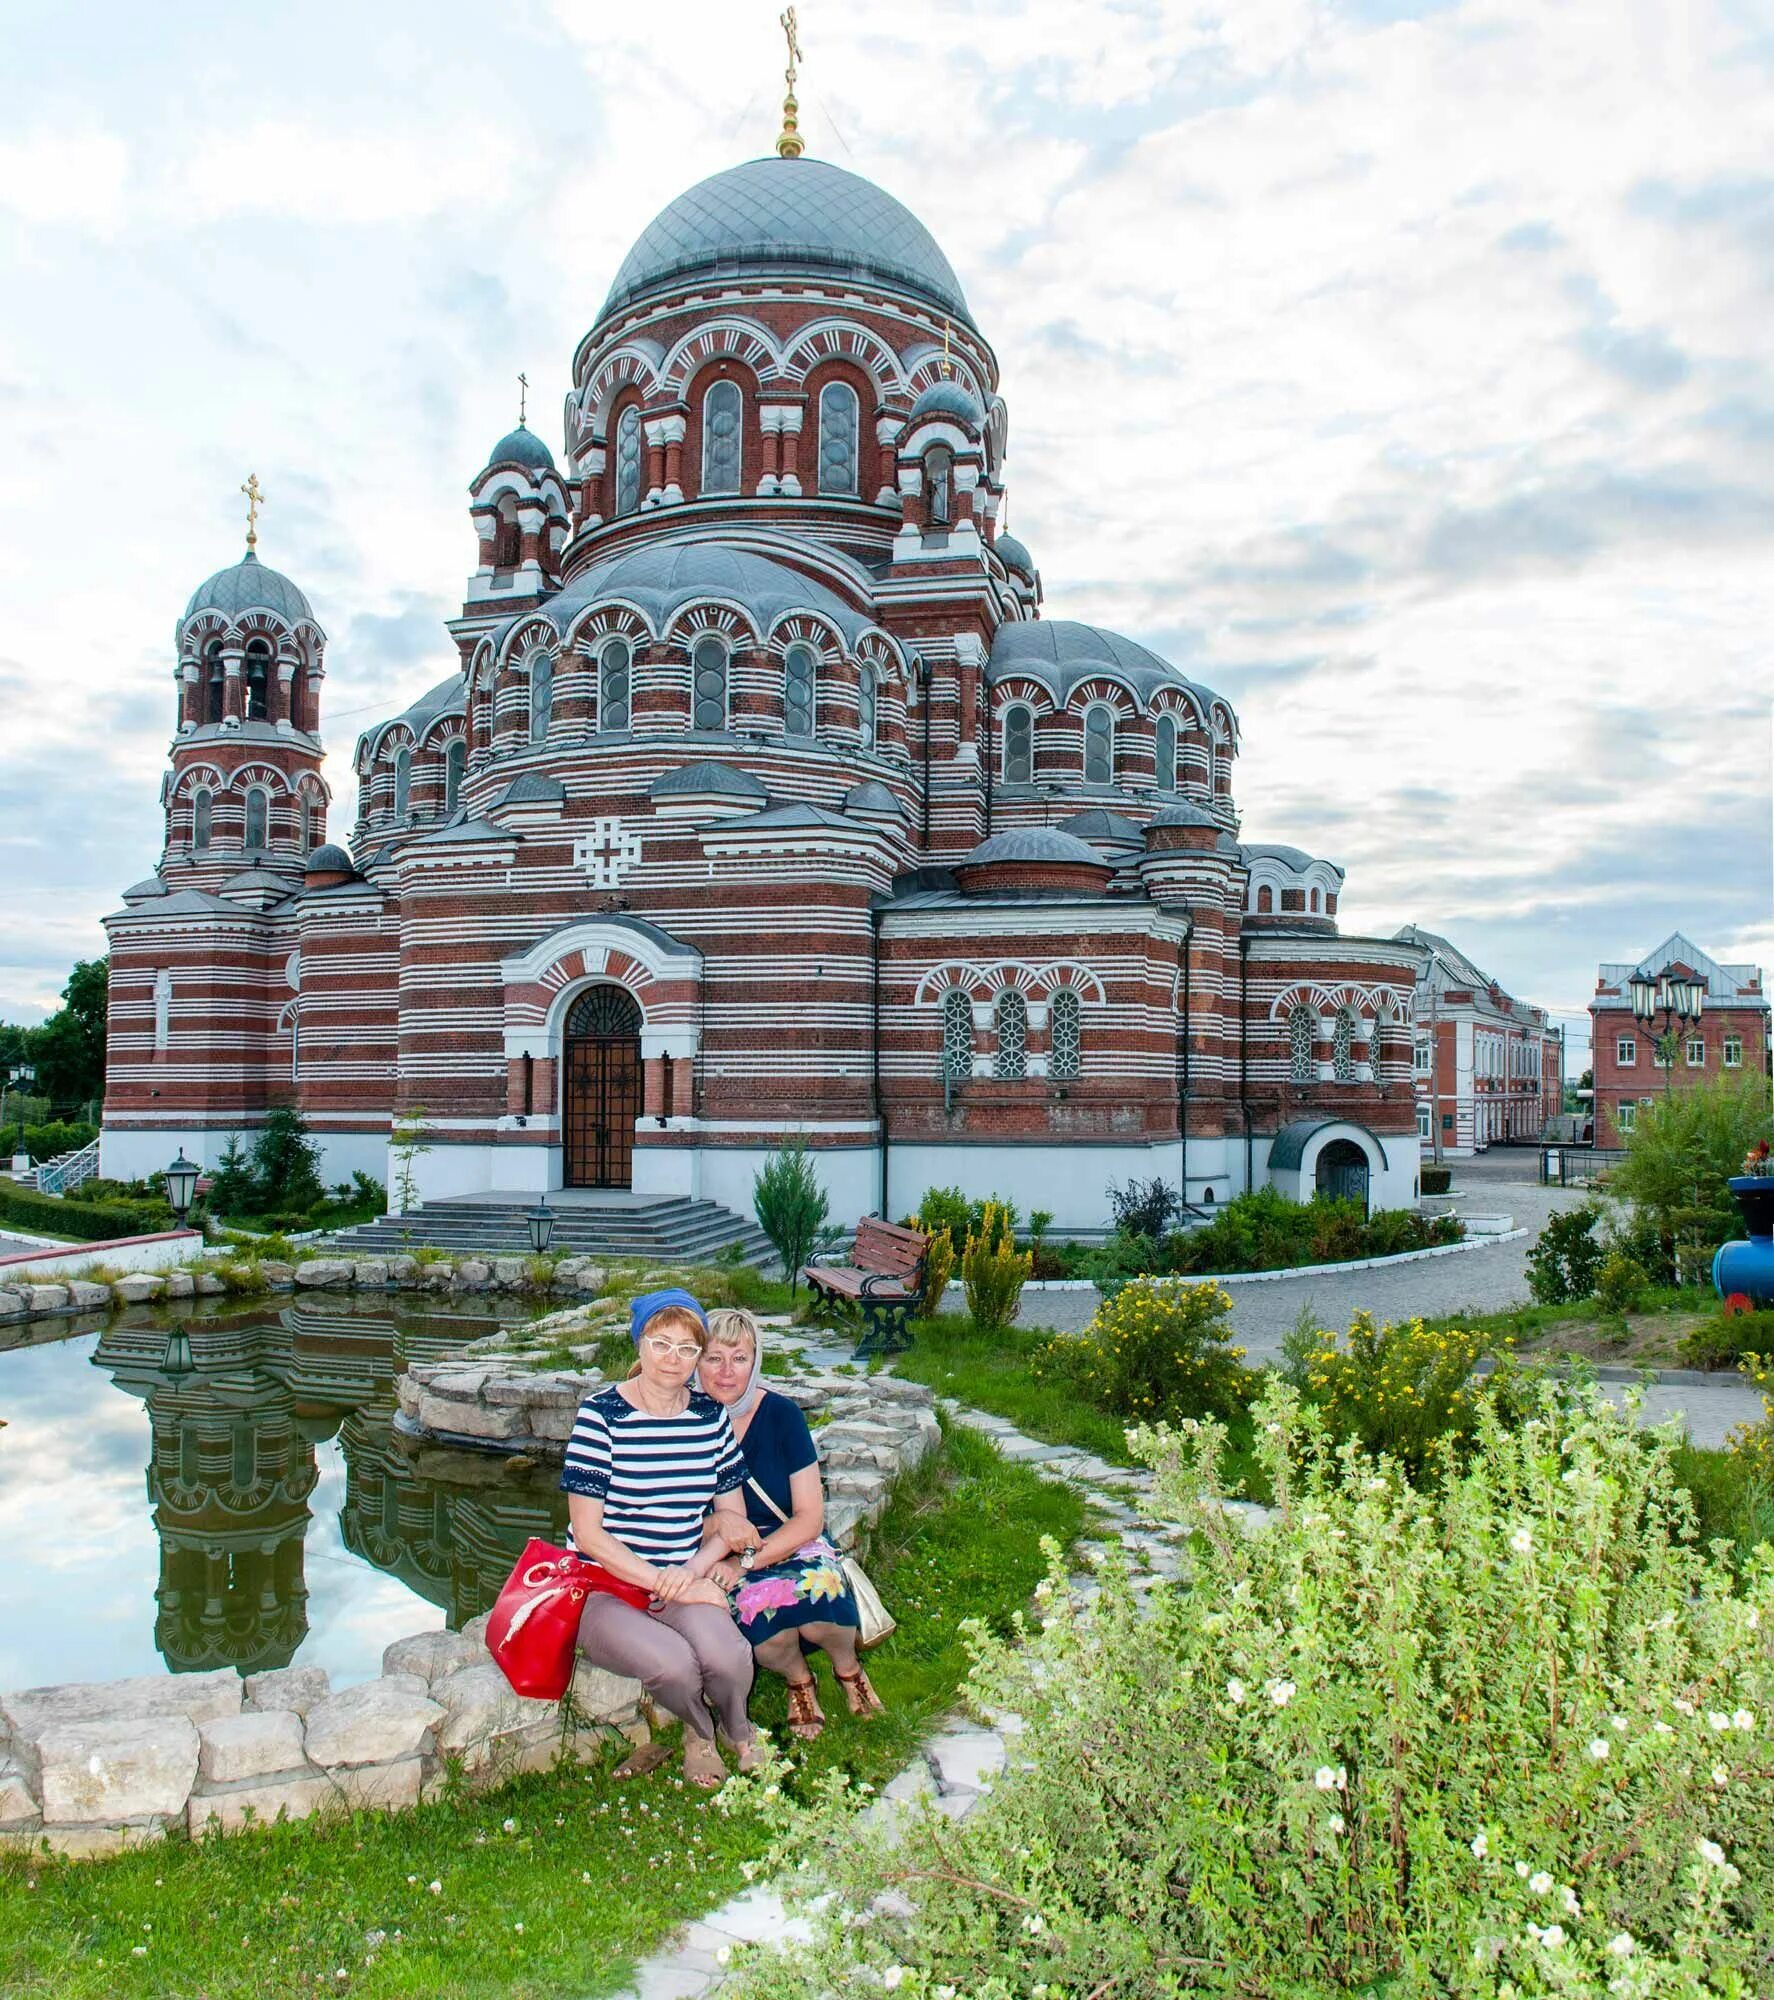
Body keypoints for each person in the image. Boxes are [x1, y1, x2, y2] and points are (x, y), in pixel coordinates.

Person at [562, 1287, 762, 1787]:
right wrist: (660, 1579)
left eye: (686, 1348)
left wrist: (691, 1574)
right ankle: (699, 1730)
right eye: (660, 1343)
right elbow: (588, 1533)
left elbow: (731, 1520)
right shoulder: (601, 1416)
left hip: (679, 1575)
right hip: (604, 1585)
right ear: (639, 1344)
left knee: (730, 1658)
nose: (673, 1359)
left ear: (697, 1356)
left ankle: (738, 1730)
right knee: (673, 1665)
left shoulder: (708, 1417)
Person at [697, 1306, 884, 1741]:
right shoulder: (685, 1425)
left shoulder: (782, 1416)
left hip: (792, 1543)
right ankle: (799, 1680)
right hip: (725, 1553)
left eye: (739, 1358)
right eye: (714, 1357)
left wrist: (745, 1563)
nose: (726, 1372)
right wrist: (722, 1540)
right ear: (697, 1362)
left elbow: (810, 1518)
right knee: (768, 1635)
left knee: (822, 1614)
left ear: (755, 1361)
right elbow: (683, 1517)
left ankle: (848, 1669)